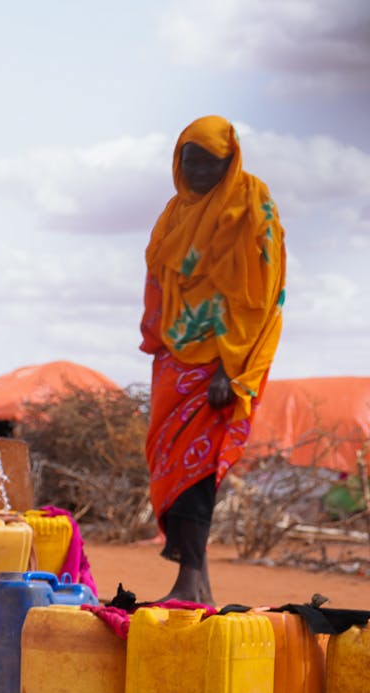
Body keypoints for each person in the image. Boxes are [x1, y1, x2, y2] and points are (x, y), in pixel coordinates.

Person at [140, 115, 286, 605]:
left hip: (221, 362)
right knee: (168, 460)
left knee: (195, 468)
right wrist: (158, 339)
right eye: (190, 160)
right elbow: (159, 278)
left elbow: (257, 296)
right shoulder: (175, 212)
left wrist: (230, 365)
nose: (200, 170)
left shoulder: (250, 204)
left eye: (211, 161)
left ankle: (186, 583)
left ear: (230, 161)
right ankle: (199, 584)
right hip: (176, 360)